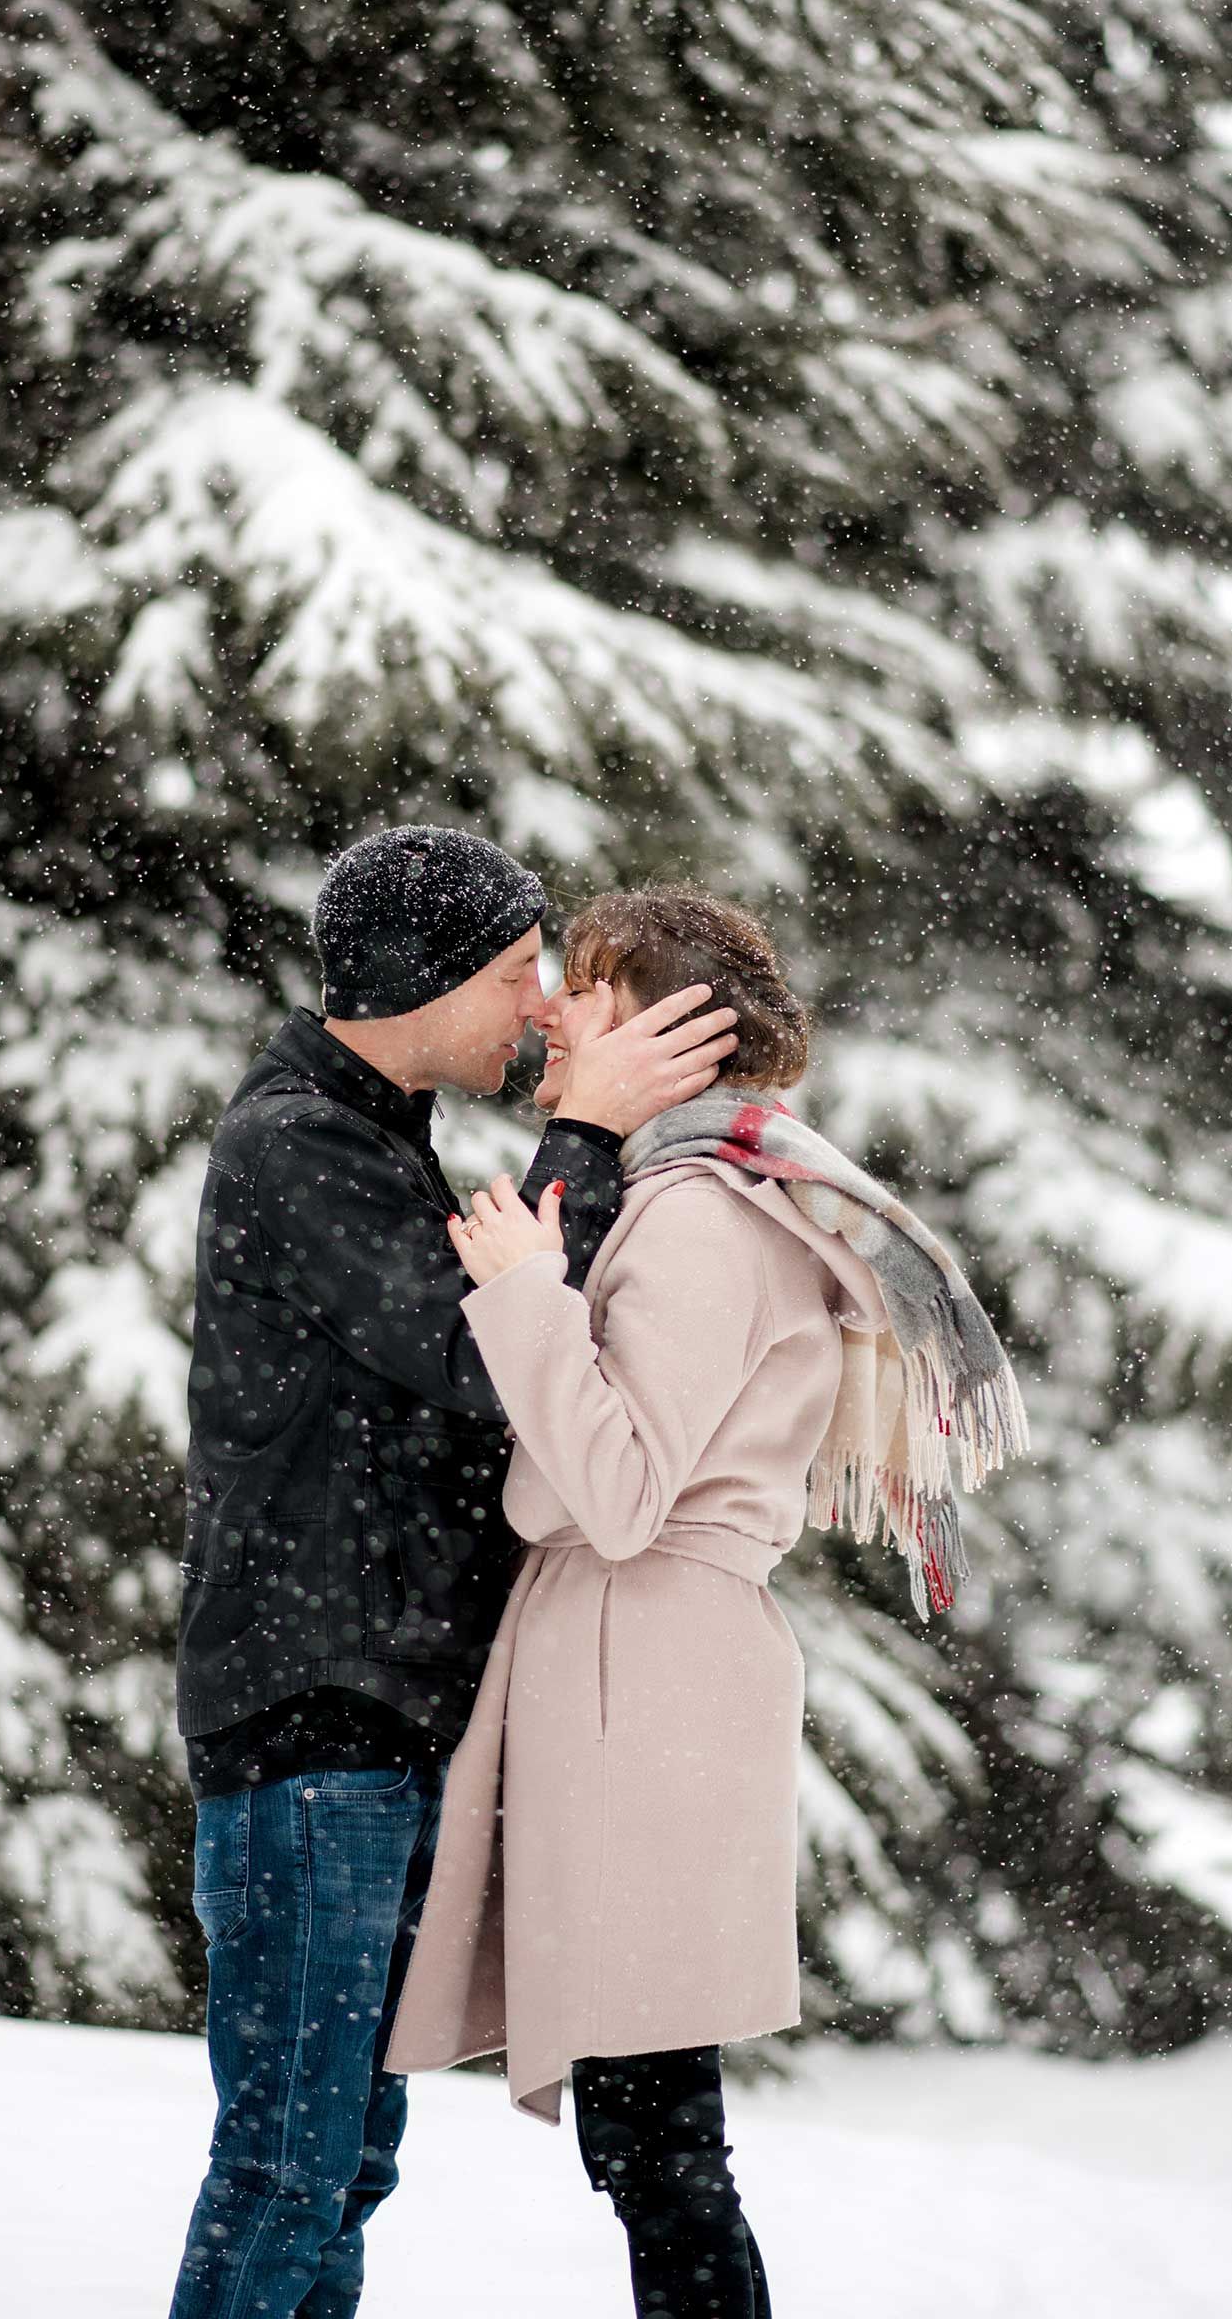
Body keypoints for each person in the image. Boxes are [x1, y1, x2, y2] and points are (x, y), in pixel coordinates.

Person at [386, 885, 1028, 2319]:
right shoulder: (715, 1196)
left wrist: (528, 1292)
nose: (550, 1009)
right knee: (655, 2138)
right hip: (651, 1667)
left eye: (587, 988)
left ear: (671, 1029)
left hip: (645, 1673)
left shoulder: (698, 1220)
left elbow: (599, 1493)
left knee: (660, 2143)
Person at [168, 828, 742, 2319]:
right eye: (510, 973)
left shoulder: (371, 1135)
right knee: (291, 2163)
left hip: (369, 1724)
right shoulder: (295, 1142)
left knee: (336, 2157)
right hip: (314, 1727)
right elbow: (482, 1345)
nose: (541, 1006)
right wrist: (594, 1133)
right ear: (419, 987)